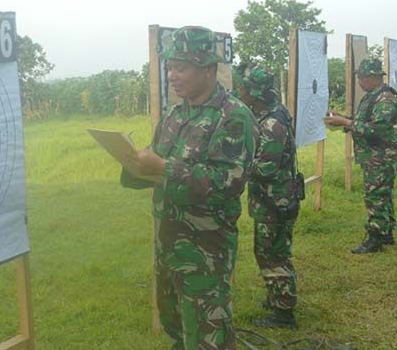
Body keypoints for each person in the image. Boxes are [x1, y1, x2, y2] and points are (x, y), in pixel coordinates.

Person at [122, 26, 258, 349]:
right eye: (169, 67)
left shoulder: (233, 117)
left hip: (205, 252)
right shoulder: (173, 115)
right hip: (168, 244)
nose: (172, 75)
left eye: (181, 67)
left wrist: (165, 168)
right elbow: (155, 163)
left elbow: (227, 182)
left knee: (208, 335)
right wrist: (132, 161)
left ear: (208, 69)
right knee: (176, 326)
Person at [237, 63, 300, 329]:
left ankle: (283, 313)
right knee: (274, 251)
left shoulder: (272, 123)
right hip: (275, 198)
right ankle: (278, 296)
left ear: (254, 92)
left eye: (243, 87)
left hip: (275, 200)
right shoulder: (269, 114)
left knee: (271, 254)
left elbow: (265, 168)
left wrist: (234, 166)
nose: (239, 91)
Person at [325, 57, 397, 253]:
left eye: (362, 78)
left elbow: (378, 129)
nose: (359, 82)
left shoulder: (385, 98)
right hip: (374, 156)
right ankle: (386, 232)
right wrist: (343, 118)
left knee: (376, 196)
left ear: (373, 77)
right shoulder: (373, 95)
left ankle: (375, 238)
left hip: (381, 157)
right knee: (382, 195)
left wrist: (346, 123)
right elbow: (364, 121)